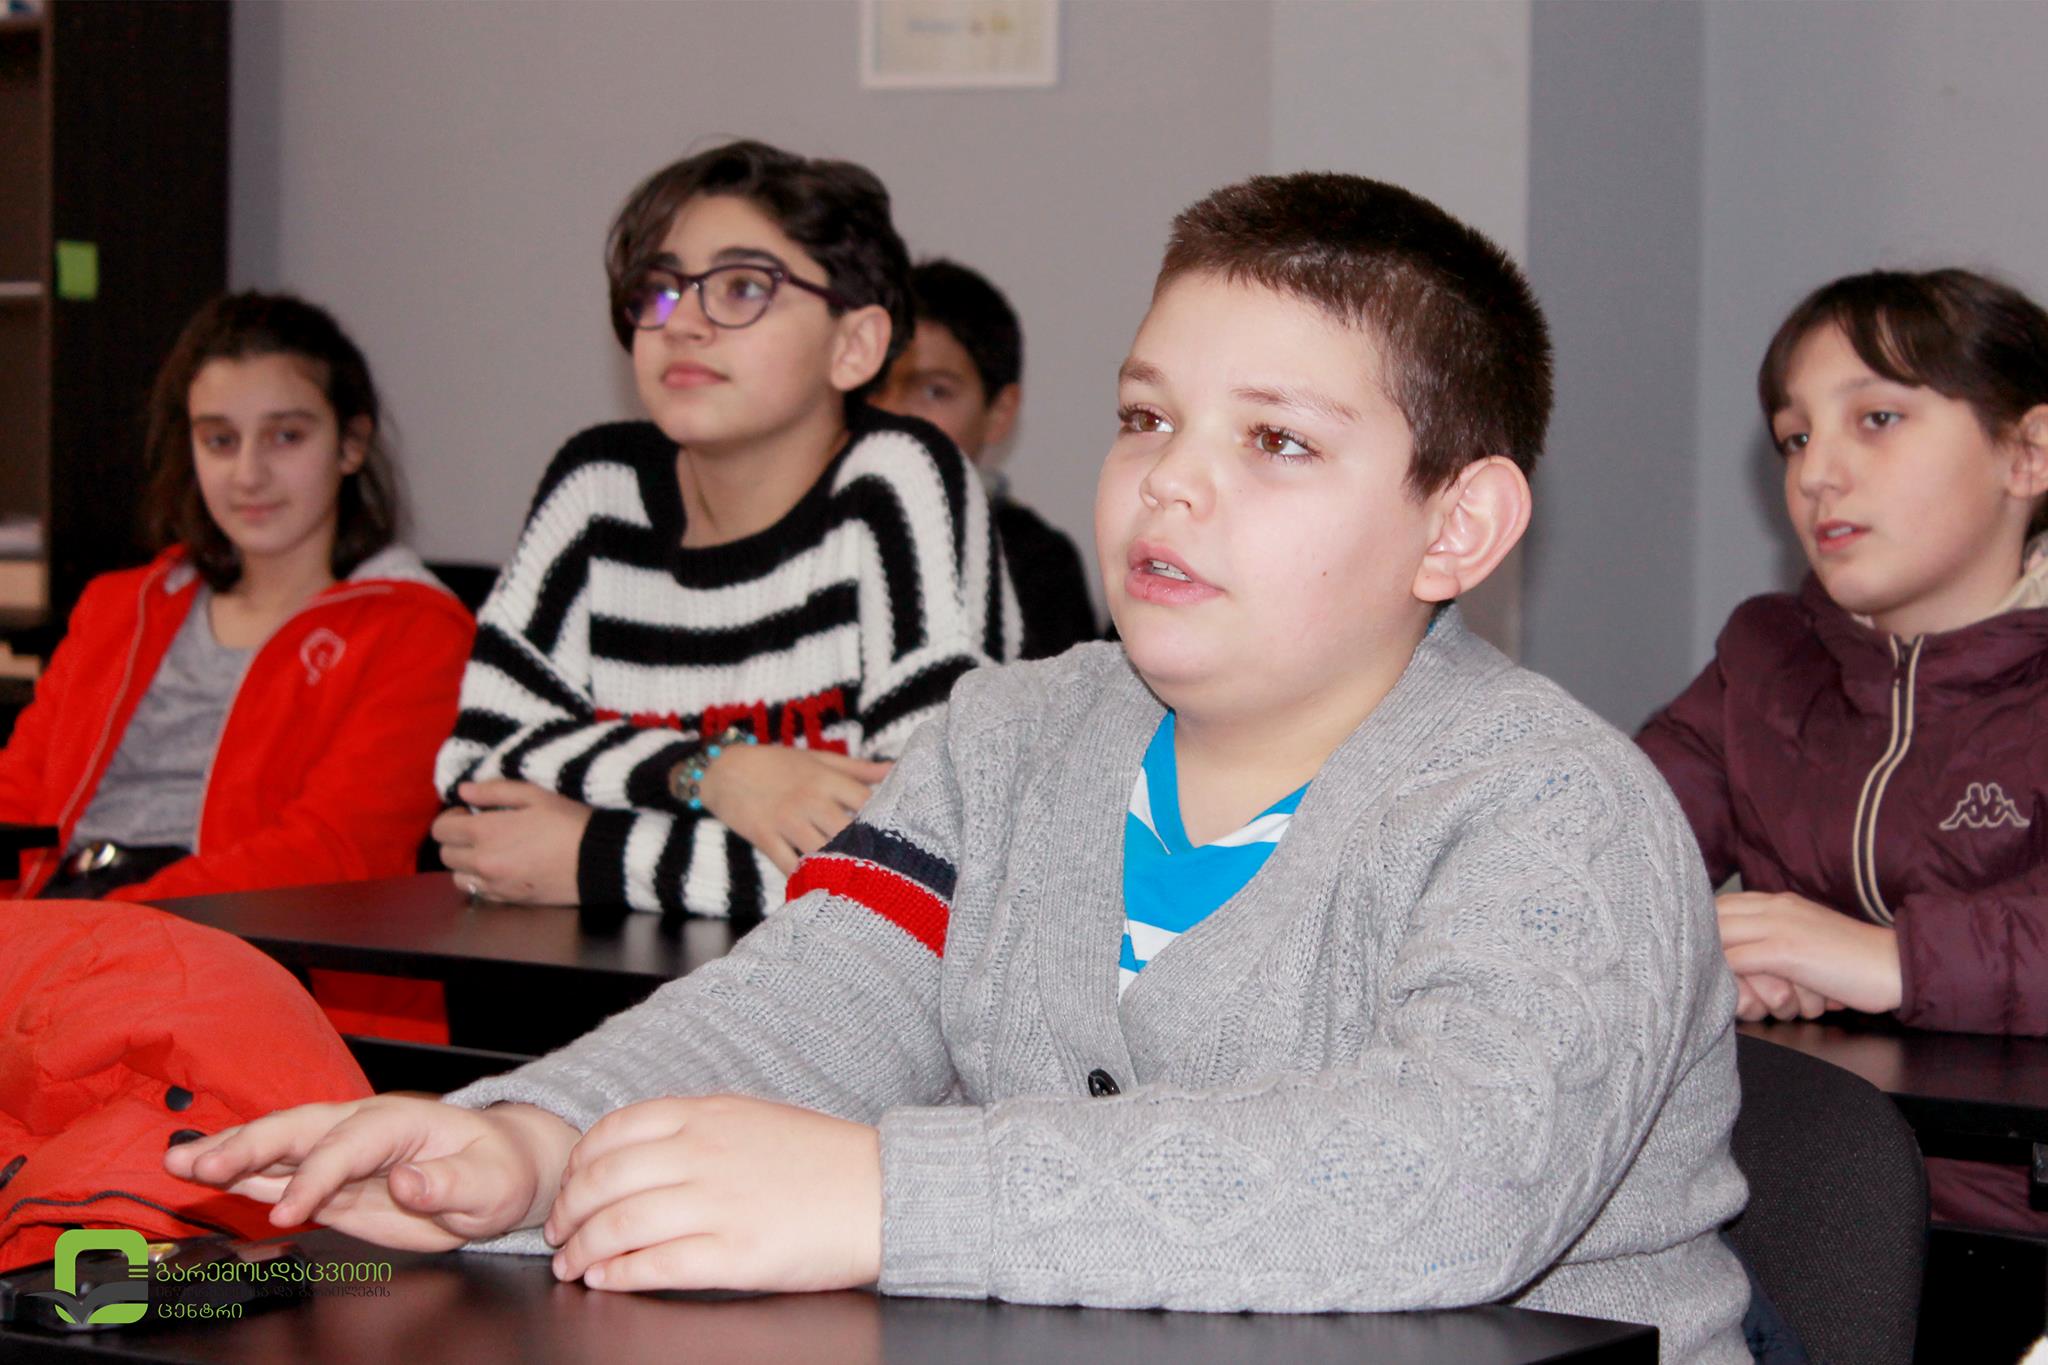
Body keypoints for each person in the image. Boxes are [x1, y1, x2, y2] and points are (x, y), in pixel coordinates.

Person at [170, 172, 1749, 1362]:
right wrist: (531, 1142)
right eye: (1146, 419)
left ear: (1458, 526)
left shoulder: (1556, 809)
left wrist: (884, 1195)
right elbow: (806, 1006)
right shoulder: (1005, 740)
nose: (1171, 487)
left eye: (1275, 442)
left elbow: (1451, 1180)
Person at [431, 142, 1017, 926]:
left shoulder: (899, 483)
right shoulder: (598, 489)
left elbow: (927, 857)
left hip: (831, 999)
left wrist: (598, 853)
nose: (683, 322)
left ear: (854, 347)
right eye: (660, 289)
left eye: (743, 287)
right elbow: (477, 781)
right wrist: (715, 773)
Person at [1639, 267, 2048, 1232]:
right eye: (1796, 436)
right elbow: (1595, 859)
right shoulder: (1763, 658)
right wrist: (1703, 956)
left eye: (1877, 419)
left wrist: (1889, 960)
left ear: (2028, 454)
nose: (1816, 472)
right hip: (1793, 1224)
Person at [0, 291, 474, 1040]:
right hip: (63, 937)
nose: (248, 473)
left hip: (248, 977)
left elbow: (331, 853)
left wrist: (95, 934)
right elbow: (19, 795)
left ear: (351, 444)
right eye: (219, 440)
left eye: (285, 436)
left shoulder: (417, 631)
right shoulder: (123, 604)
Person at [872, 258, 1097, 658]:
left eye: (935, 391)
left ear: (999, 413)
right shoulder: (817, 537)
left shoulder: (1037, 564)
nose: (893, 410)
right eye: (875, 385)